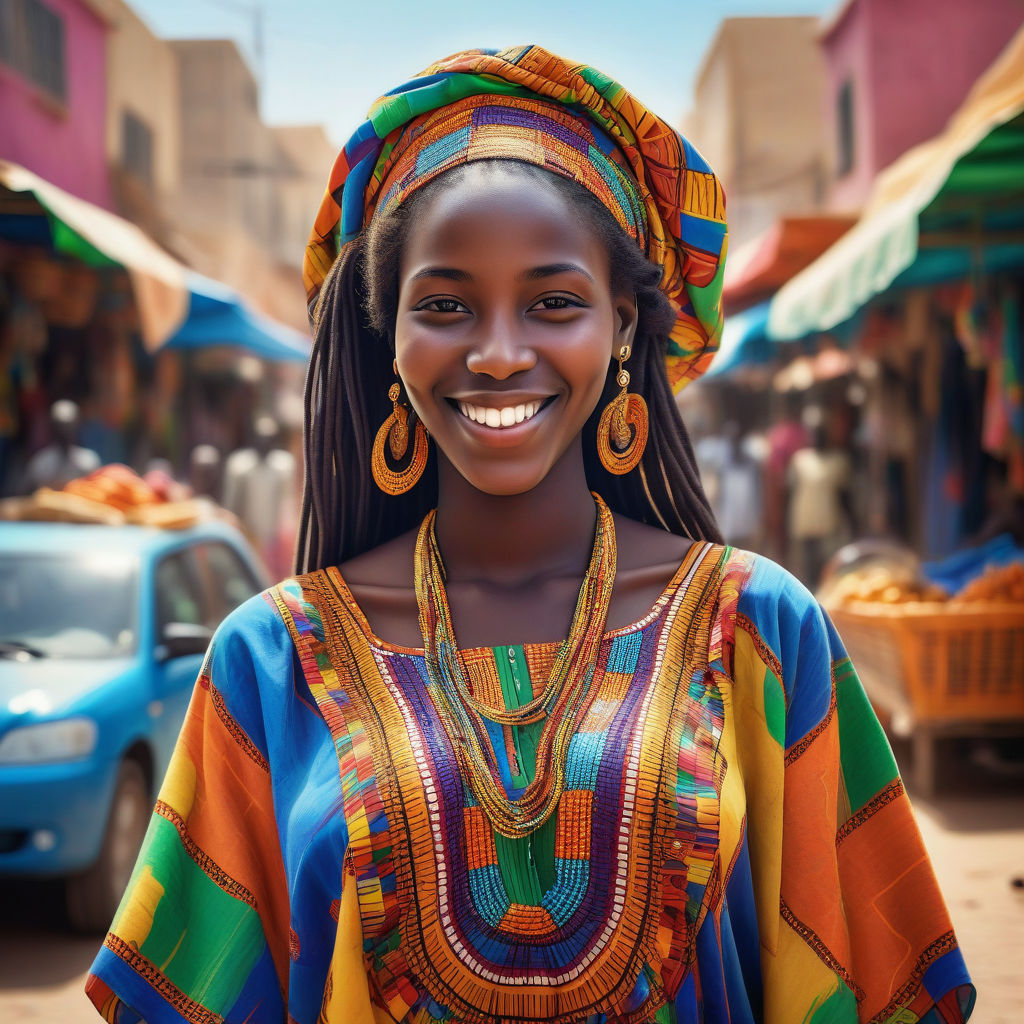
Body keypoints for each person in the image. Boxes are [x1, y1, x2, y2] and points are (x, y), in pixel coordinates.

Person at [85, 46, 973, 1024]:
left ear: (625, 325)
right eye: (445, 305)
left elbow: (880, 986)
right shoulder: (269, 664)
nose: (499, 352)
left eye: (553, 302)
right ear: (390, 333)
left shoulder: (758, 634)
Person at [19, 399, 101, 492]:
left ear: (77, 425)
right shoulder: (41, 463)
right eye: (60, 425)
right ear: (53, 427)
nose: (64, 430)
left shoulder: (88, 461)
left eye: (68, 425)